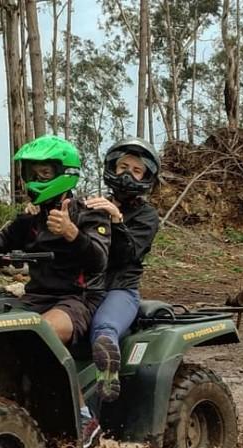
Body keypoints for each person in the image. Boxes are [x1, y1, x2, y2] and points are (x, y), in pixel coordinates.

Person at [0, 135, 111, 447]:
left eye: (44, 174)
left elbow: (99, 260)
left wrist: (72, 233)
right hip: (35, 298)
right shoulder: (30, 219)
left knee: (42, 332)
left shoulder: (90, 213)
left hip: (77, 300)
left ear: (64, 173)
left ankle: (85, 419)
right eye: (31, 173)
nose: (36, 180)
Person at [85, 138, 161, 407]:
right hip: (84, 289)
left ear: (146, 177)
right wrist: (37, 212)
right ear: (111, 169)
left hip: (120, 290)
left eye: (136, 170)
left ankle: (107, 376)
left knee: (104, 328)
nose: (128, 174)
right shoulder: (91, 206)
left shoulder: (147, 216)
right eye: (123, 167)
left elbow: (128, 254)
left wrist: (116, 220)